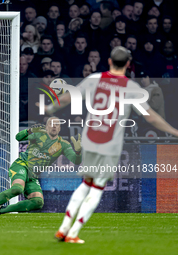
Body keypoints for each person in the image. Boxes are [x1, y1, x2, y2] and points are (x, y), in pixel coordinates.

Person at [43, 46, 178, 243]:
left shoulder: (95, 79)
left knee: (85, 183)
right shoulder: (131, 88)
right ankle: (73, 233)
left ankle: (64, 228)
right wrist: (174, 131)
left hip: (89, 140)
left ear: (109, 61)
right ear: (129, 65)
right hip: (110, 145)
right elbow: (151, 117)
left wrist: (49, 107)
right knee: (97, 187)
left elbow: (68, 97)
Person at [0, 117, 82, 215]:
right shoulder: (38, 135)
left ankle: (0, 210)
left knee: (38, 202)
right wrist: (29, 131)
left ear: (59, 128)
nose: (54, 126)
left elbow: (76, 161)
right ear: (46, 126)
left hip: (33, 175)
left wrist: (78, 152)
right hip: (21, 165)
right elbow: (18, 137)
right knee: (17, 189)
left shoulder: (63, 144)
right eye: (51, 123)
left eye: (57, 124)